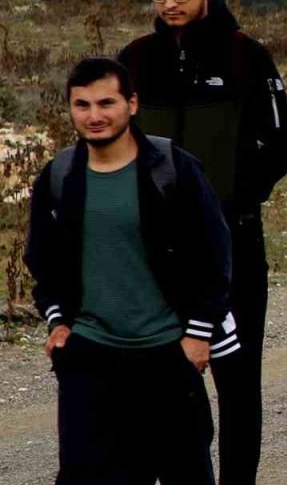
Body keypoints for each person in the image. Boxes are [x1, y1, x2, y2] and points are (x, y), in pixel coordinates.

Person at [117, 0, 287, 485]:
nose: (169, 4)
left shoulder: (247, 55)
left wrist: (237, 200)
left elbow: (285, 144)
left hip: (233, 246)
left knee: (238, 382)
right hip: (153, 255)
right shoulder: (134, 61)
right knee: (170, 380)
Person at [27, 58, 232, 484]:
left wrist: (197, 335)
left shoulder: (172, 168)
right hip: (91, 358)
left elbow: (214, 254)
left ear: (132, 104)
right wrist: (58, 322)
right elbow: (42, 259)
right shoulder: (60, 175)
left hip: (167, 354)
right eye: (82, 105)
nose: (94, 115)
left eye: (107, 102)